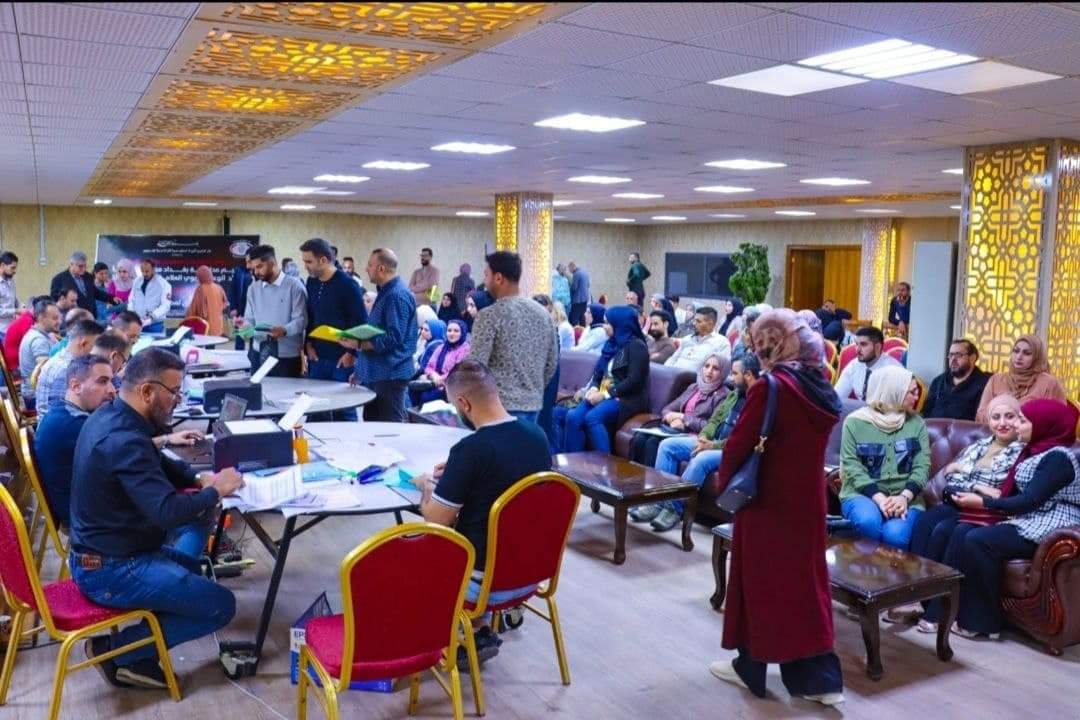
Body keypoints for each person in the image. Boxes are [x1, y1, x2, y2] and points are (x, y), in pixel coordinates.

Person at [69, 348, 242, 689]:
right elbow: (166, 512)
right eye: (174, 392)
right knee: (221, 605)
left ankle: (138, 653)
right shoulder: (123, 439)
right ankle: (116, 652)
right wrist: (216, 491)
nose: (178, 400)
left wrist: (198, 479)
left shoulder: (113, 416)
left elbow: (157, 460)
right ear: (147, 391)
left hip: (112, 553)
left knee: (196, 572)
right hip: (110, 569)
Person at [708, 308, 844, 706]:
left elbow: (739, 443)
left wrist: (724, 484)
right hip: (808, 503)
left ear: (771, 343)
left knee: (760, 587)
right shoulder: (821, 386)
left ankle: (749, 666)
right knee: (806, 587)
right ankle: (821, 682)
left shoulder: (771, 386)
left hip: (767, 502)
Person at [415, 360, 552, 667]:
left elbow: (436, 519)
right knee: (486, 536)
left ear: (464, 404)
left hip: (485, 585)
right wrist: (459, 473)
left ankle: (459, 634)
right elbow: (507, 480)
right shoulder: (537, 435)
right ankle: (477, 631)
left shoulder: (471, 450)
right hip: (533, 572)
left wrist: (426, 486)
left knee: (408, 551)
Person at [948, 399, 1080, 639]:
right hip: (1031, 518)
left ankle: (984, 623)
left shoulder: (1058, 458)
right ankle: (958, 610)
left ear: (1043, 425)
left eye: (1023, 421)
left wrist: (984, 503)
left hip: (1051, 524)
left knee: (979, 540)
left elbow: (1029, 501)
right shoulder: (1036, 450)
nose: (1017, 426)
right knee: (964, 532)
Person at [908, 393, 1025, 633]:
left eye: (1009, 416)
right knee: (924, 522)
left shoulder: (1020, 450)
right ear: (989, 421)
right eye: (996, 417)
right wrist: (972, 482)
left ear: (1019, 419)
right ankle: (916, 597)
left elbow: (996, 486)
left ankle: (939, 610)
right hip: (958, 501)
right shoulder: (981, 444)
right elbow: (952, 477)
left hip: (986, 511)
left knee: (944, 531)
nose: (1002, 423)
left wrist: (965, 476)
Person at [635, 355, 762, 530]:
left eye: (734, 373)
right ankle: (657, 502)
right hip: (712, 443)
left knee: (701, 459)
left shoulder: (758, 401)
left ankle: (674, 509)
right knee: (667, 446)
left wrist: (712, 446)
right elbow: (714, 420)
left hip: (733, 451)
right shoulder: (735, 393)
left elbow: (745, 440)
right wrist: (704, 437)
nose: (731, 378)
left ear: (748, 375)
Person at [839, 365, 930, 550]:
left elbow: (922, 466)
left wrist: (904, 497)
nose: (917, 398)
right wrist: (880, 499)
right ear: (893, 391)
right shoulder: (854, 423)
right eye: (911, 392)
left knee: (895, 535)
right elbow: (852, 467)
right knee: (868, 523)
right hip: (862, 494)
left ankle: (891, 572)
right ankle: (864, 570)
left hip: (906, 497)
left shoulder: (917, 423)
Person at [467, 251, 557, 424]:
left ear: (498, 278)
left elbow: (476, 367)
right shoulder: (542, 313)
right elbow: (552, 362)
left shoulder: (489, 316)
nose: (484, 281)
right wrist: (533, 390)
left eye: (486, 275)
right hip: (533, 405)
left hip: (498, 407)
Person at [34, 354, 118, 528]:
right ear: (75, 386)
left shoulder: (61, 411)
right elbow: (128, 450)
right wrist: (164, 439)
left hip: (83, 508)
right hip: (90, 521)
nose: (112, 390)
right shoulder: (74, 425)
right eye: (103, 381)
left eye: (111, 381)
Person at [553, 305, 649, 453]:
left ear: (619, 324)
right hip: (602, 393)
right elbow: (599, 373)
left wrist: (604, 395)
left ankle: (604, 463)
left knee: (593, 417)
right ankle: (573, 461)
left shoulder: (637, 346)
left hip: (624, 398)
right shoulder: (611, 343)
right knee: (573, 416)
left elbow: (634, 380)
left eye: (608, 323)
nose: (604, 327)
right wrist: (593, 388)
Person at [346, 248, 418, 422]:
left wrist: (358, 344)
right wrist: (361, 369)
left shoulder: (396, 295)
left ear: (381, 269)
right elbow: (379, 331)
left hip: (390, 374)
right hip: (378, 373)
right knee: (373, 424)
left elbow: (393, 337)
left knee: (389, 427)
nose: (366, 269)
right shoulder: (386, 291)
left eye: (370, 265)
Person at [301, 238, 366, 419]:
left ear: (323, 260)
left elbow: (360, 323)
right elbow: (311, 315)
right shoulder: (311, 282)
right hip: (317, 357)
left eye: (309, 262)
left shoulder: (348, 285)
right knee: (315, 409)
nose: (305, 266)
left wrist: (351, 354)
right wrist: (308, 344)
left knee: (343, 411)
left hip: (341, 359)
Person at [628, 353, 729, 470]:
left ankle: (653, 480)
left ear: (723, 373)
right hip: (676, 429)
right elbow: (667, 409)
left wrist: (683, 418)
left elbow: (711, 426)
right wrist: (673, 420)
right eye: (706, 366)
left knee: (652, 443)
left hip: (694, 436)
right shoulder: (694, 387)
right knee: (639, 439)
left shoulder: (723, 396)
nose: (709, 371)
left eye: (715, 368)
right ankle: (635, 477)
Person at [239, 244, 307, 378]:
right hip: (258, 353)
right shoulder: (253, 289)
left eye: (259, 267)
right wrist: (245, 328)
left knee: (287, 392)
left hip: (286, 357)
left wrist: (285, 330)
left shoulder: (295, 287)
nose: (256, 272)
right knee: (258, 390)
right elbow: (249, 319)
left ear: (272, 263)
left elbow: (301, 320)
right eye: (253, 268)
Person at [975, 334, 1066, 422]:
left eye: (1027, 353)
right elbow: (980, 415)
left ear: (1037, 357)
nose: (1019, 357)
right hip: (995, 431)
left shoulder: (1049, 383)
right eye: (1016, 351)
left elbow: (1059, 418)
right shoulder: (996, 380)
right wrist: (1001, 409)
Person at [36, 319, 103, 416]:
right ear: (83, 344)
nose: (98, 352)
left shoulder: (60, 357)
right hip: (59, 422)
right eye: (96, 347)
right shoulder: (67, 369)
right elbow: (67, 411)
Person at [922, 339, 992, 420]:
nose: (953, 359)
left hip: (965, 428)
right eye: (951, 355)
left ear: (972, 358)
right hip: (933, 427)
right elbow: (926, 413)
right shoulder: (938, 382)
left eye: (958, 355)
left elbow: (982, 419)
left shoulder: (985, 384)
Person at [409, 319, 470, 406]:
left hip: (451, 384)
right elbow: (429, 366)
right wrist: (434, 376)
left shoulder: (465, 349)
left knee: (427, 397)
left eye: (456, 331)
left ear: (462, 333)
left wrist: (440, 380)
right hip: (434, 380)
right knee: (413, 389)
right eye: (449, 330)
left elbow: (456, 371)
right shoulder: (442, 347)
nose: (452, 333)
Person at [833, 326, 902, 402]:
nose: (857, 349)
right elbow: (837, 397)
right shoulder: (854, 366)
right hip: (861, 408)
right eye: (856, 344)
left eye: (863, 344)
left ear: (877, 347)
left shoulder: (894, 370)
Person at [18, 297, 60, 405]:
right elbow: (45, 372)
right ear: (41, 318)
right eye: (55, 318)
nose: (59, 322)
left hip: (35, 392)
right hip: (36, 397)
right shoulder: (38, 340)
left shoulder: (40, 334)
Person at [664, 306, 731, 372]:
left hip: (695, 378)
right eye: (694, 320)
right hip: (672, 374)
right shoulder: (688, 338)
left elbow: (722, 370)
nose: (693, 323)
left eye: (698, 321)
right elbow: (673, 359)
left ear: (710, 324)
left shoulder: (721, 342)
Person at [50, 251, 116, 316]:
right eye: (80, 266)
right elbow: (54, 299)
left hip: (91, 315)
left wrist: (111, 298)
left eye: (85, 266)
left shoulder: (88, 276)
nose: (83, 269)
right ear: (71, 264)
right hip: (72, 317)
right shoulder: (59, 279)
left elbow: (95, 292)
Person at [129, 259, 172, 334]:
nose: (144, 274)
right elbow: (131, 300)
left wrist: (152, 317)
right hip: (138, 323)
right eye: (142, 271)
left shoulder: (164, 284)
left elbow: (166, 305)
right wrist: (133, 315)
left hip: (155, 325)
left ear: (153, 269)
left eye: (147, 271)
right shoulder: (137, 281)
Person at [185, 266, 229, 336]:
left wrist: (187, 314)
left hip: (206, 327)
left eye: (197, 277)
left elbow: (194, 309)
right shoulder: (219, 287)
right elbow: (225, 304)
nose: (197, 279)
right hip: (218, 326)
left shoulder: (201, 289)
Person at [229, 251, 254, 350]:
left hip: (254, 311)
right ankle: (239, 352)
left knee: (254, 338)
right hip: (241, 309)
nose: (248, 264)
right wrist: (233, 307)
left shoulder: (261, 275)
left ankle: (252, 354)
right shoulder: (239, 271)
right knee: (240, 335)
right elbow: (232, 290)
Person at [0, 250, 19, 338]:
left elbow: (14, 300)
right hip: (1, 330)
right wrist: (16, 311)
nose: (15, 271)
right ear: (3, 265)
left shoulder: (11, 281)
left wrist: (23, 307)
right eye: (12, 268)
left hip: (11, 328)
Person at [567, 261, 590, 327]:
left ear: (572, 267)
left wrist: (569, 287)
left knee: (574, 318)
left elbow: (574, 287)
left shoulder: (576, 274)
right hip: (585, 299)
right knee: (582, 317)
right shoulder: (585, 273)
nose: (570, 271)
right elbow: (588, 285)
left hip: (577, 300)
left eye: (569, 269)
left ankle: (574, 332)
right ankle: (583, 330)